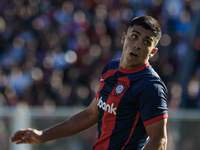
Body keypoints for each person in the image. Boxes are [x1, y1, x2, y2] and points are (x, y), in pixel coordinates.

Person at [10, 16, 168, 150]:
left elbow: (159, 141)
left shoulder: (150, 85)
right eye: (135, 36)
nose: (138, 44)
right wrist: (43, 135)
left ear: (153, 51)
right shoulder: (111, 69)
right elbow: (92, 113)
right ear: (123, 38)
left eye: (147, 42)